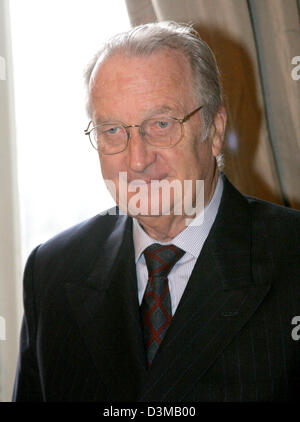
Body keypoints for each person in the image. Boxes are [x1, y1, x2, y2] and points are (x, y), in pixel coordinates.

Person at [13, 21, 300, 402]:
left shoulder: (292, 257)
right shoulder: (51, 272)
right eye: (113, 130)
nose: (137, 160)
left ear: (215, 131)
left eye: (161, 124)